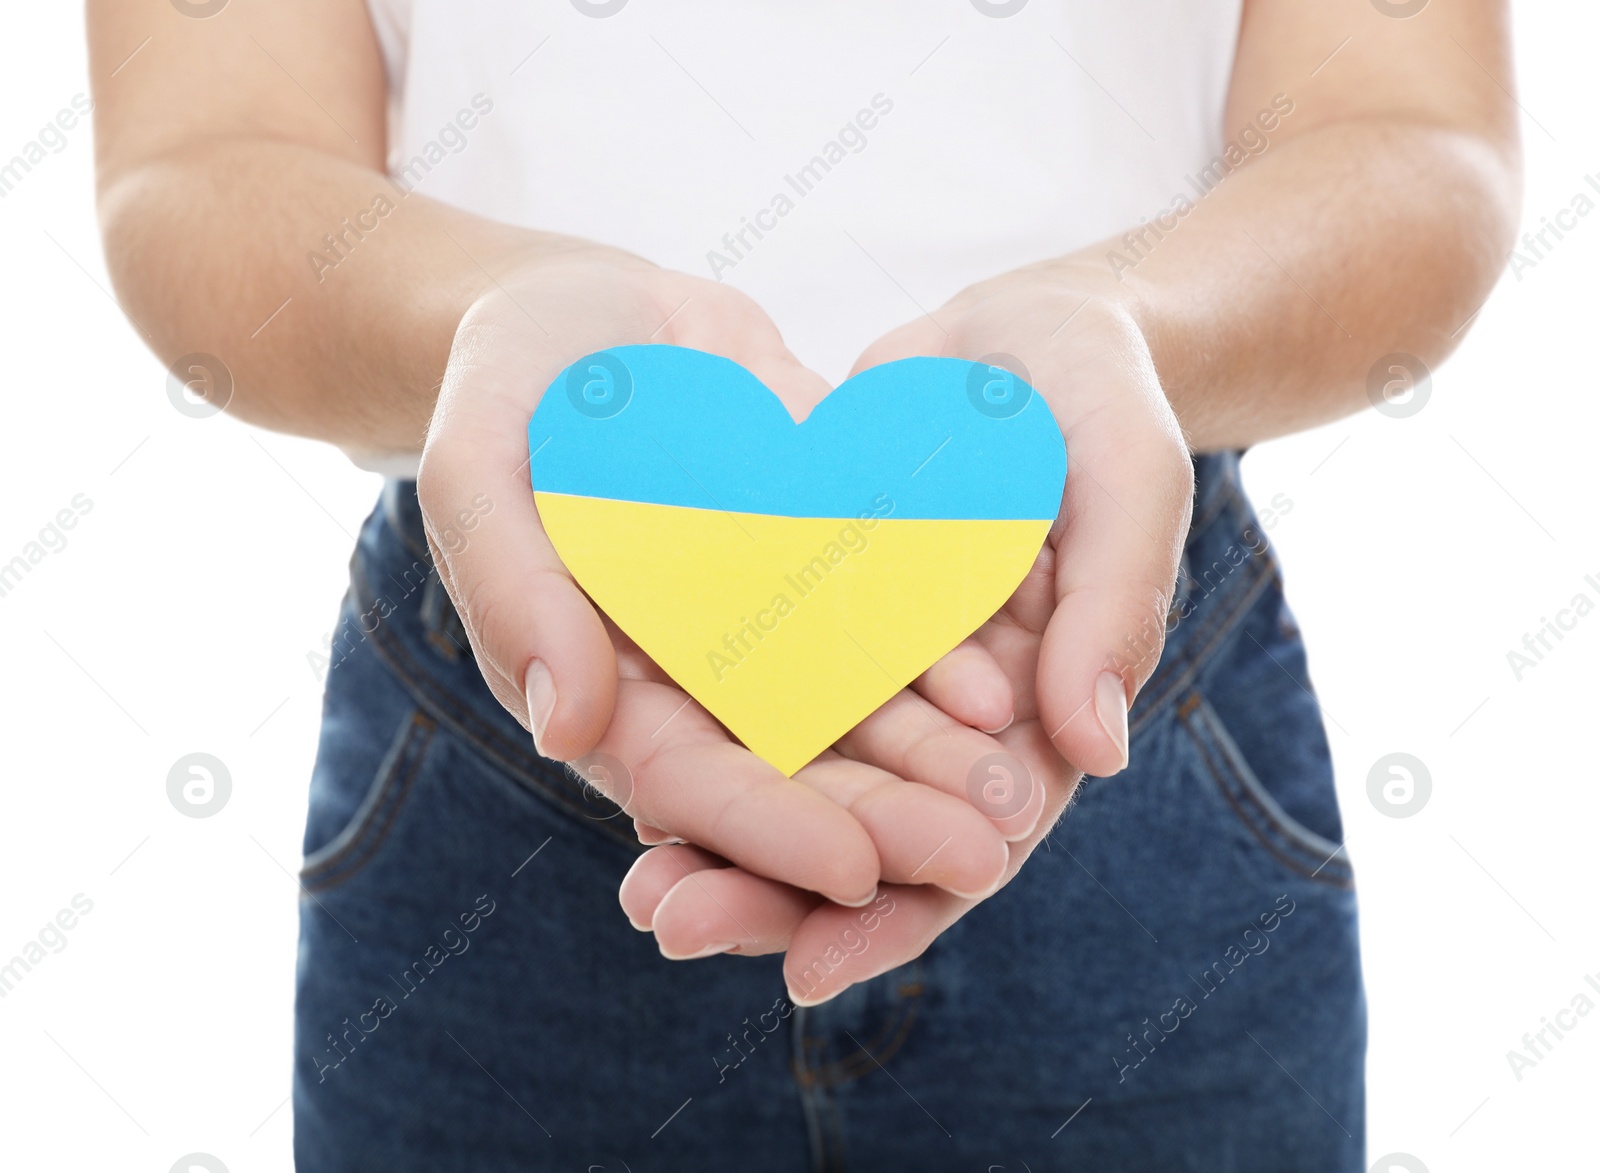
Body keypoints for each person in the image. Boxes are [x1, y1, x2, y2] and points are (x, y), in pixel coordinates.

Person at [88, 0, 1519, 1167]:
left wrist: (1125, 324)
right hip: (494, 692)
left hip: (1127, 660)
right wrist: (488, 318)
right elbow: (207, 156)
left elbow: (1410, 138)